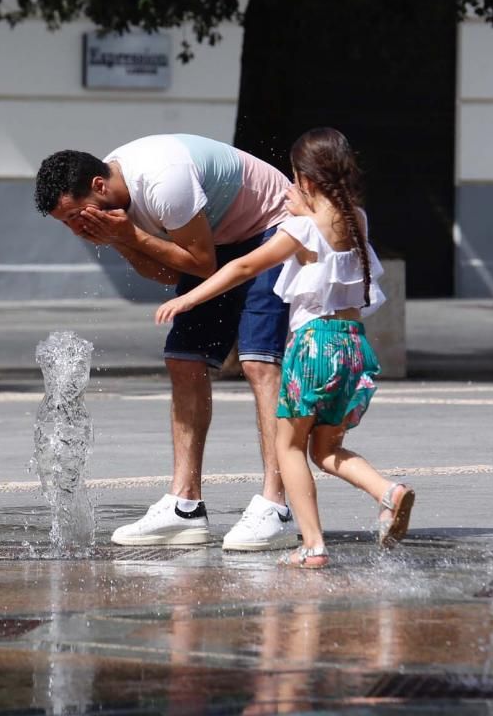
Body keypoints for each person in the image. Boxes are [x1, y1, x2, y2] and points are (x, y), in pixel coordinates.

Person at [155, 127, 415, 568]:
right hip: (354, 348)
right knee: (326, 450)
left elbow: (243, 265)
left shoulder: (301, 229)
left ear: (308, 180)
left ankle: (313, 546)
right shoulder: (358, 219)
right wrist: (307, 209)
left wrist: (188, 297)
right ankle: (388, 492)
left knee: (288, 448)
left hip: (315, 347)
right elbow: (330, 230)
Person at [35, 135, 296, 550]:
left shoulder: (163, 183)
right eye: (65, 223)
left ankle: (276, 506)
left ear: (99, 187)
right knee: (184, 359)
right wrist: (119, 239)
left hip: (272, 228)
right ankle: (185, 506)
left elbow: (201, 265)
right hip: (214, 241)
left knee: (259, 362)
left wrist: (130, 237)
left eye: (74, 215)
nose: (76, 228)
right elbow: (171, 275)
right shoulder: (116, 207)